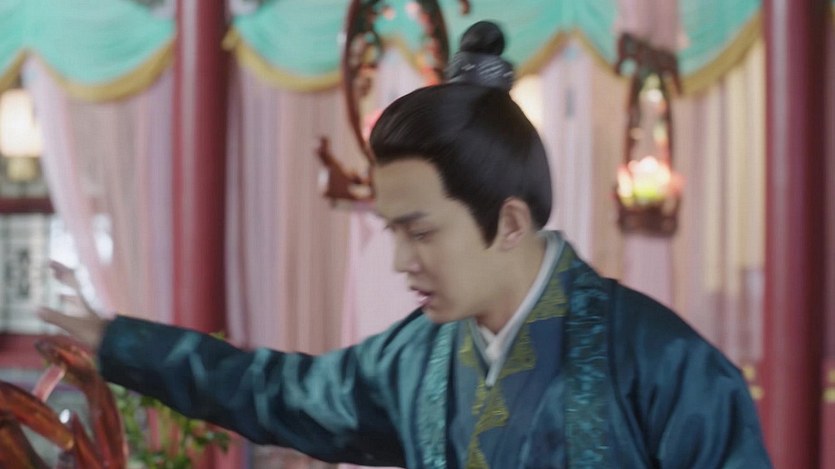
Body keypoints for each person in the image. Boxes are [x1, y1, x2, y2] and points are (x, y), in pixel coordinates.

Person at [39, 21, 772, 468]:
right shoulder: (418, 359)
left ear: (509, 222)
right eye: (393, 230)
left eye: (421, 231)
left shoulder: (663, 363)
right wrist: (119, 341)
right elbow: (277, 391)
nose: (400, 261)